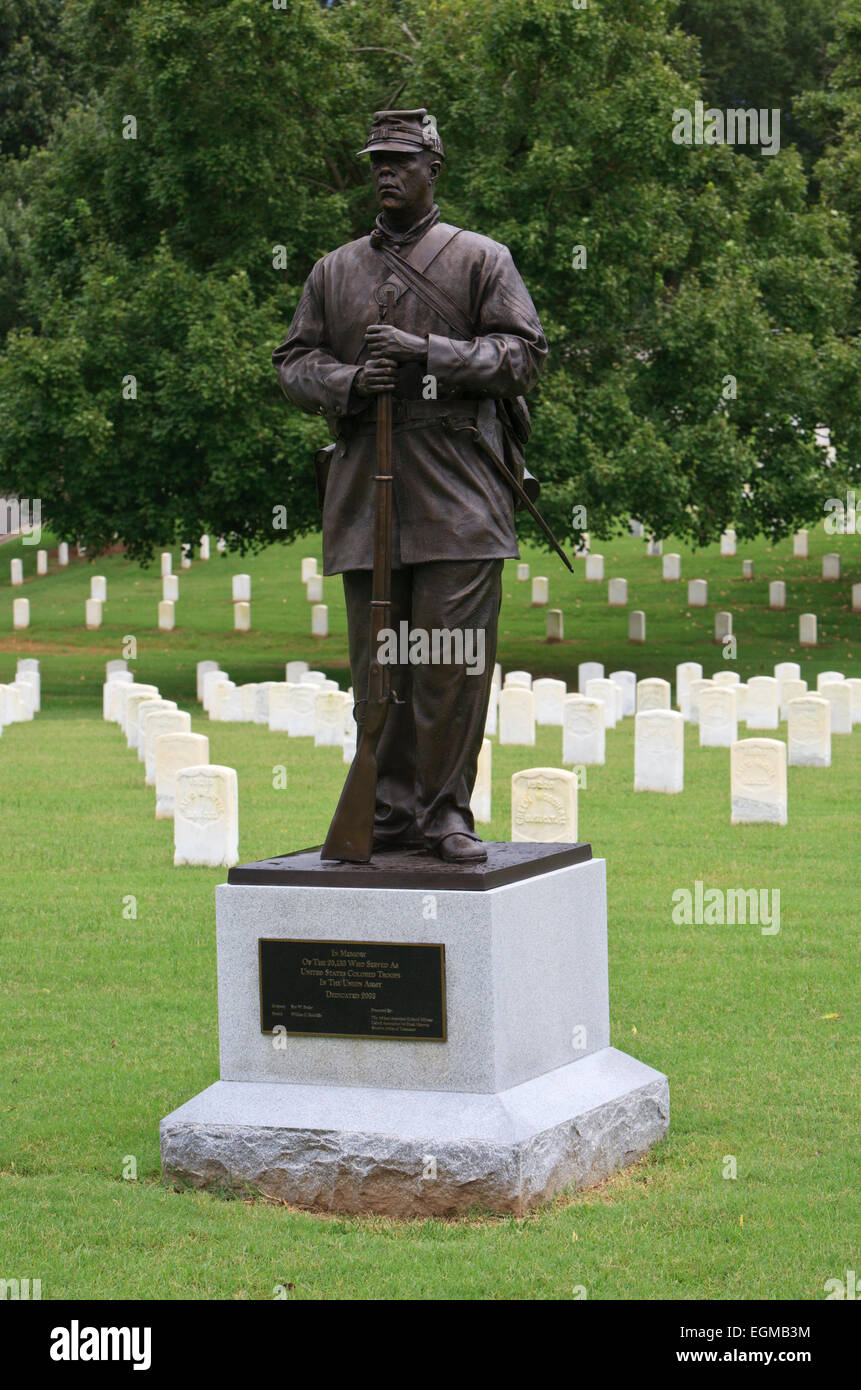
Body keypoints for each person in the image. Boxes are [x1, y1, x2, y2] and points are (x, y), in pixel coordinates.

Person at [273, 108, 547, 863]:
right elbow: (292, 364)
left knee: (450, 665)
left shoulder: (481, 259)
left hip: (458, 489)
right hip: (369, 493)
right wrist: (350, 380)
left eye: (399, 160)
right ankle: (386, 812)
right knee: (379, 665)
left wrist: (429, 353)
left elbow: (522, 357)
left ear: (433, 168)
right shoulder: (334, 271)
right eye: (375, 162)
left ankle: (444, 810)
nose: (385, 173)